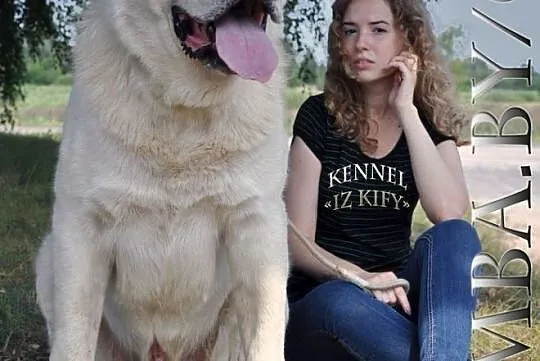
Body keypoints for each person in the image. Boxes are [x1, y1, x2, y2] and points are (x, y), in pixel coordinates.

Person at [283, 0, 482, 360]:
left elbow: (449, 211)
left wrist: (407, 110)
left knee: (457, 235)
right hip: (325, 302)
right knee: (343, 301)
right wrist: (362, 277)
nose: (361, 43)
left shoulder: (427, 120)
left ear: (407, 39)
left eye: (378, 29)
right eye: (350, 30)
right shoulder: (318, 116)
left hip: (397, 300)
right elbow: (296, 243)